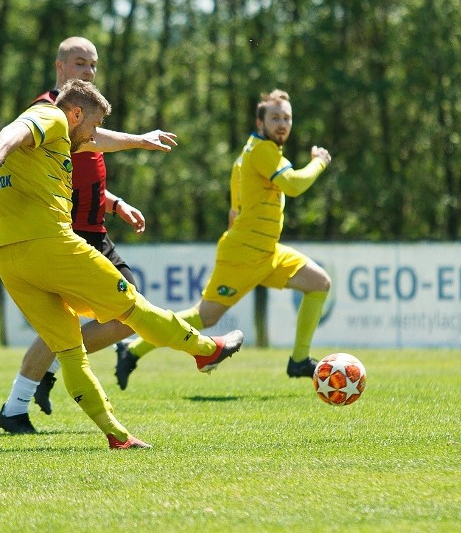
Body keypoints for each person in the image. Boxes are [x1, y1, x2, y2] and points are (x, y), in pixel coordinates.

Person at [0, 78, 243, 449]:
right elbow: (13, 132)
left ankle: (117, 436)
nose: (94, 136)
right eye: (92, 124)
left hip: (8, 257)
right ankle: (207, 351)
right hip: (51, 245)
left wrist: (140, 140)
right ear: (75, 113)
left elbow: (78, 139)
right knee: (133, 307)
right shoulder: (51, 116)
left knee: (69, 352)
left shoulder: (55, 137)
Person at [0, 36, 174, 434]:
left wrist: (114, 203)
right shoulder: (51, 112)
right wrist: (140, 140)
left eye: (93, 64)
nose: (89, 71)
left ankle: (19, 402)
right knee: (126, 312)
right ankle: (31, 390)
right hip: (64, 229)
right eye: (80, 63)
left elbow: (81, 169)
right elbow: (33, 153)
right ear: (60, 67)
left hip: (94, 227)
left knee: (95, 320)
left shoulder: (82, 114)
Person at [116, 89, 332, 389]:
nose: (282, 124)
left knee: (319, 283)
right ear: (260, 122)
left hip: (267, 252)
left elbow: (235, 200)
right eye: (275, 118)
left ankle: (299, 360)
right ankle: (132, 348)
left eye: (287, 118)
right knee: (205, 316)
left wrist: (240, 213)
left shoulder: (252, 151)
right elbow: (293, 185)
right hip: (243, 254)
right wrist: (319, 161)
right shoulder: (262, 151)